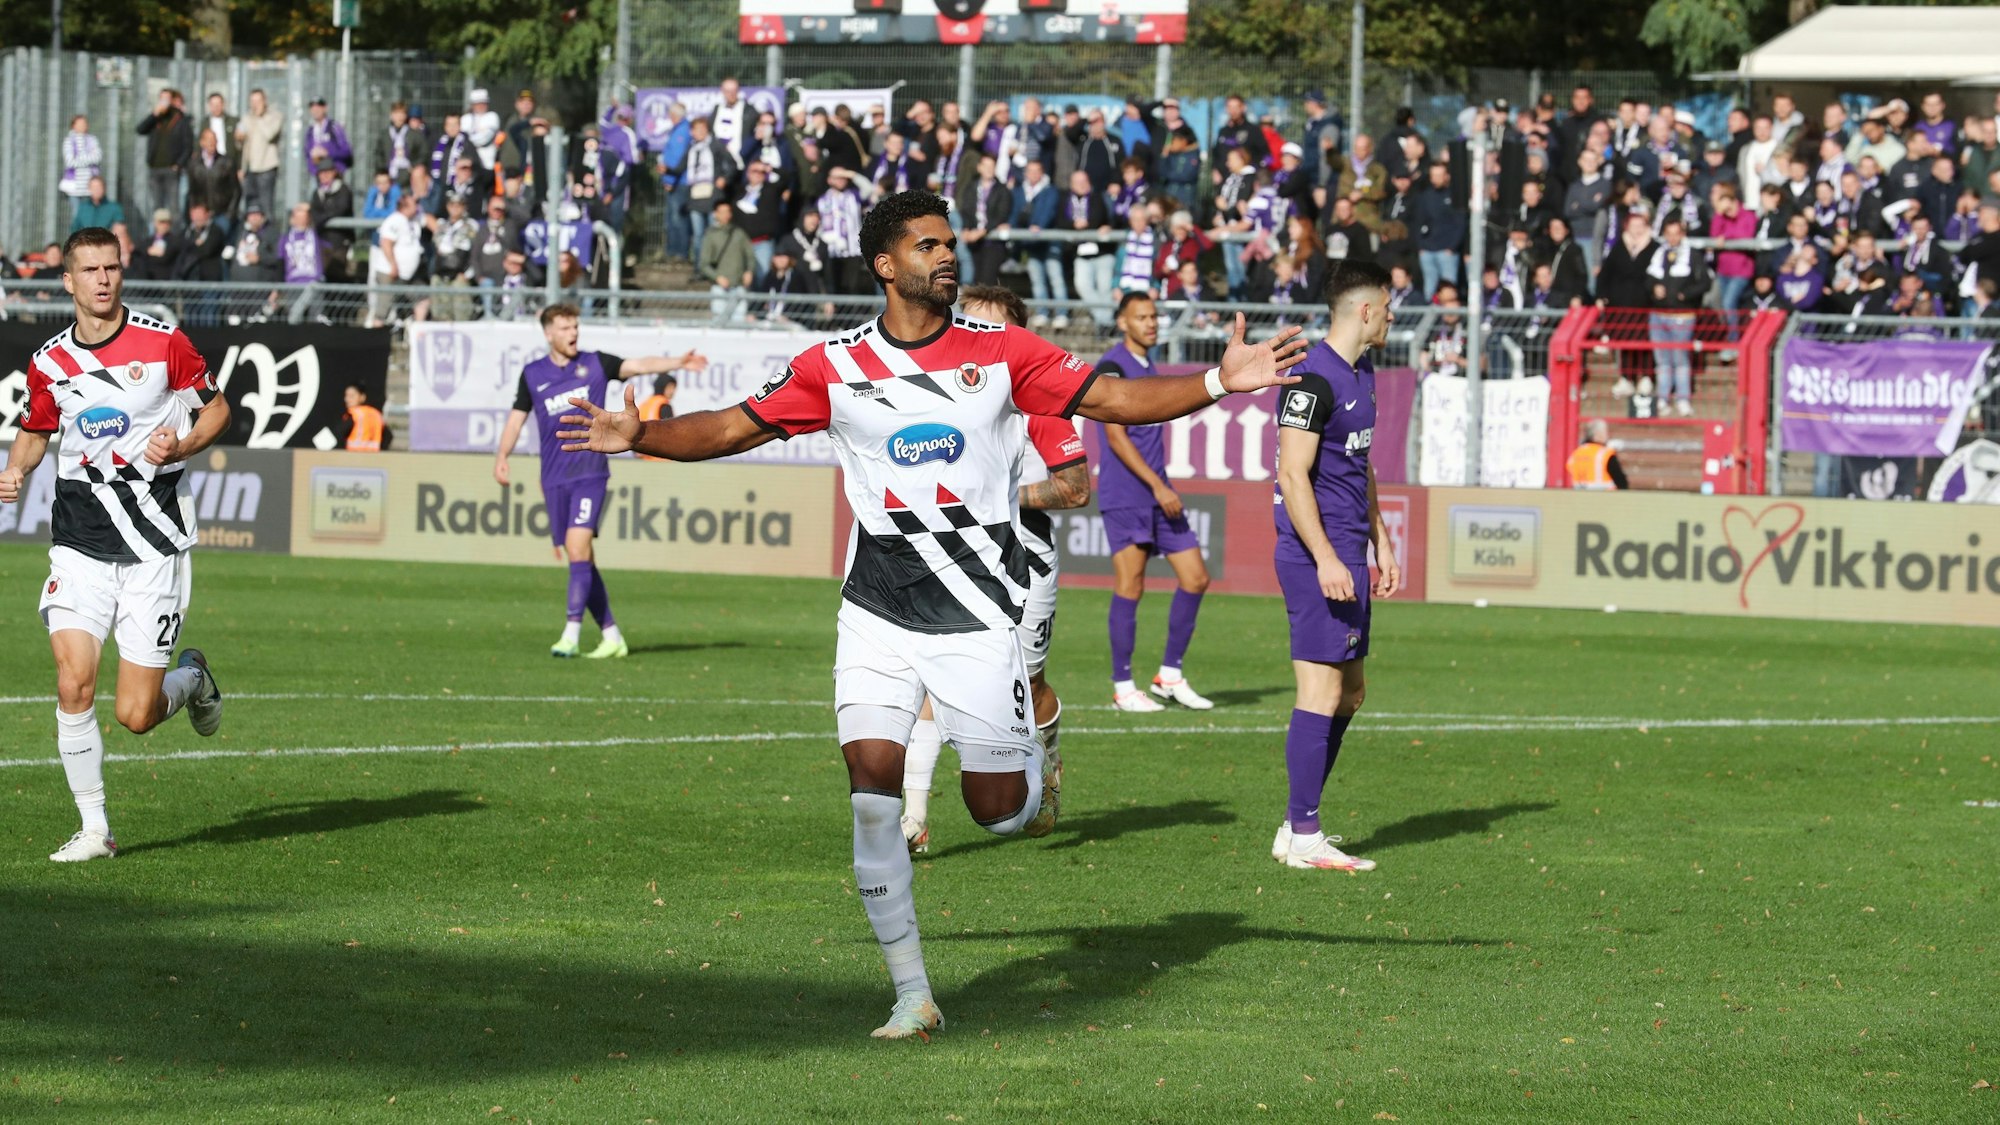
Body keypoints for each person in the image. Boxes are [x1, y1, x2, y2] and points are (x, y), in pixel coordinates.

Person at [553, 190, 1306, 1039]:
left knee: (998, 810)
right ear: (885, 263)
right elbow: (732, 426)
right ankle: (912, 993)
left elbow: (1110, 400)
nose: (947, 257)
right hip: (875, 612)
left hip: (980, 615)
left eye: (951, 244)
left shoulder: (1005, 350)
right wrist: (639, 436)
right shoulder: (832, 365)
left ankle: (1038, 751)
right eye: (927, 246)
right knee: (871, 793)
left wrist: (1216, 380)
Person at [0, 226, 230, 862]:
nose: (103, 280)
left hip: (154, 544)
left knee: (136, 713)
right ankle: (95, 829)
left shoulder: (163, 344)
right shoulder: (49, 362)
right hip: (78, 543)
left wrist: (181, 445)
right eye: (90, 270)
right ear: (67, 281)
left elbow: (217, 410)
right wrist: (17, 467)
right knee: (73, 682)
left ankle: (194, 677)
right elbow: (35, 430)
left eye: (112, 268)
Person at [898, 284, 1093, 855]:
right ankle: (913, 820)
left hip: (1024, 566)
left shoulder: (1040, 402)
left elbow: (1075, 489)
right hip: (956, 563)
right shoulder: (940, 399)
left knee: (1028, 690)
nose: (974, 340)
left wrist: (999, 498)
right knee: (931, 684)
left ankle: (1049, 761)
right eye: (968, 325)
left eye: (990, 329)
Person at [1269, 259, 1402, 873]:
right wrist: (1324, 556)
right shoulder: (1311, 380)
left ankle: (1297, 820)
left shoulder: (1363, 372)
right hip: (1311, 552)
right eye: (1389, 305)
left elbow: (1361, 463)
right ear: (1366, 310)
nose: (1393, 316)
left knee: (1351, 692)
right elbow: (1292, 474)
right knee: (1321, 690)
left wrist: (1382, 539)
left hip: (1348, 547)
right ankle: (1304, 833)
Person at [493, 305, 706, 659]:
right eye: (564, 327)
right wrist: (502, 457)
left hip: (590, 473)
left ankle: (571, 634)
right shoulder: (532, 374)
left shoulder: (595, 363)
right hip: (553, 477)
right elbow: (517, 419)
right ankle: (611, 635)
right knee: (582, 559)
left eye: (575, 326)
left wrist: (677, 363)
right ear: (548, 333)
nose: (573, 332)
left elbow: (637, 365)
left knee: (578, 548)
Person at [1093, 292, 1214, 712]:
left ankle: (1170, 675)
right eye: (1141, 317)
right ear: (1123, 323)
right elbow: (1114, 435)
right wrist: (1157, 485)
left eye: (1154, 316)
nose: (1151, 323)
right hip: (1127, 492)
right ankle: (1123, 686)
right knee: (1131, 584)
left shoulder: (1148, 367)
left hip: (1157, 489)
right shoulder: (1112, 366)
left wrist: (1161, 486)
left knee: (1196, 576)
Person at [237, 89, 284, 220]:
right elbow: (241, 144)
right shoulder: (246, 118)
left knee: (266, 206)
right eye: (252, 101)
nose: (255, 104)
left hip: (266, 168)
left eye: (258, 101)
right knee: (250, 207)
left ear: (265, 102)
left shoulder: (275, 117)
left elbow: (269, 134)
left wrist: (259, 117)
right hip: (250, 170)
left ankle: (268, 237)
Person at [1566, 419, 1628, 490]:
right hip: (1605, 498)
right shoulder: (1605, 454)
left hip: (1579, 497)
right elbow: (1621, 482)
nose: (1607, 436)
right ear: (1596, 435)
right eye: (1605, 432)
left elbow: (1570, 469)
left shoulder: (1576, 453)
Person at [338, 384, 386, 452]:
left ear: (362, 397)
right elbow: (387, 437)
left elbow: (339, 433)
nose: (346, 399)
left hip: (354, 457)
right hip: (374, 458)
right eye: (346, 396)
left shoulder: (353, 414)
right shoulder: (376, 414)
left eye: (351, 396)